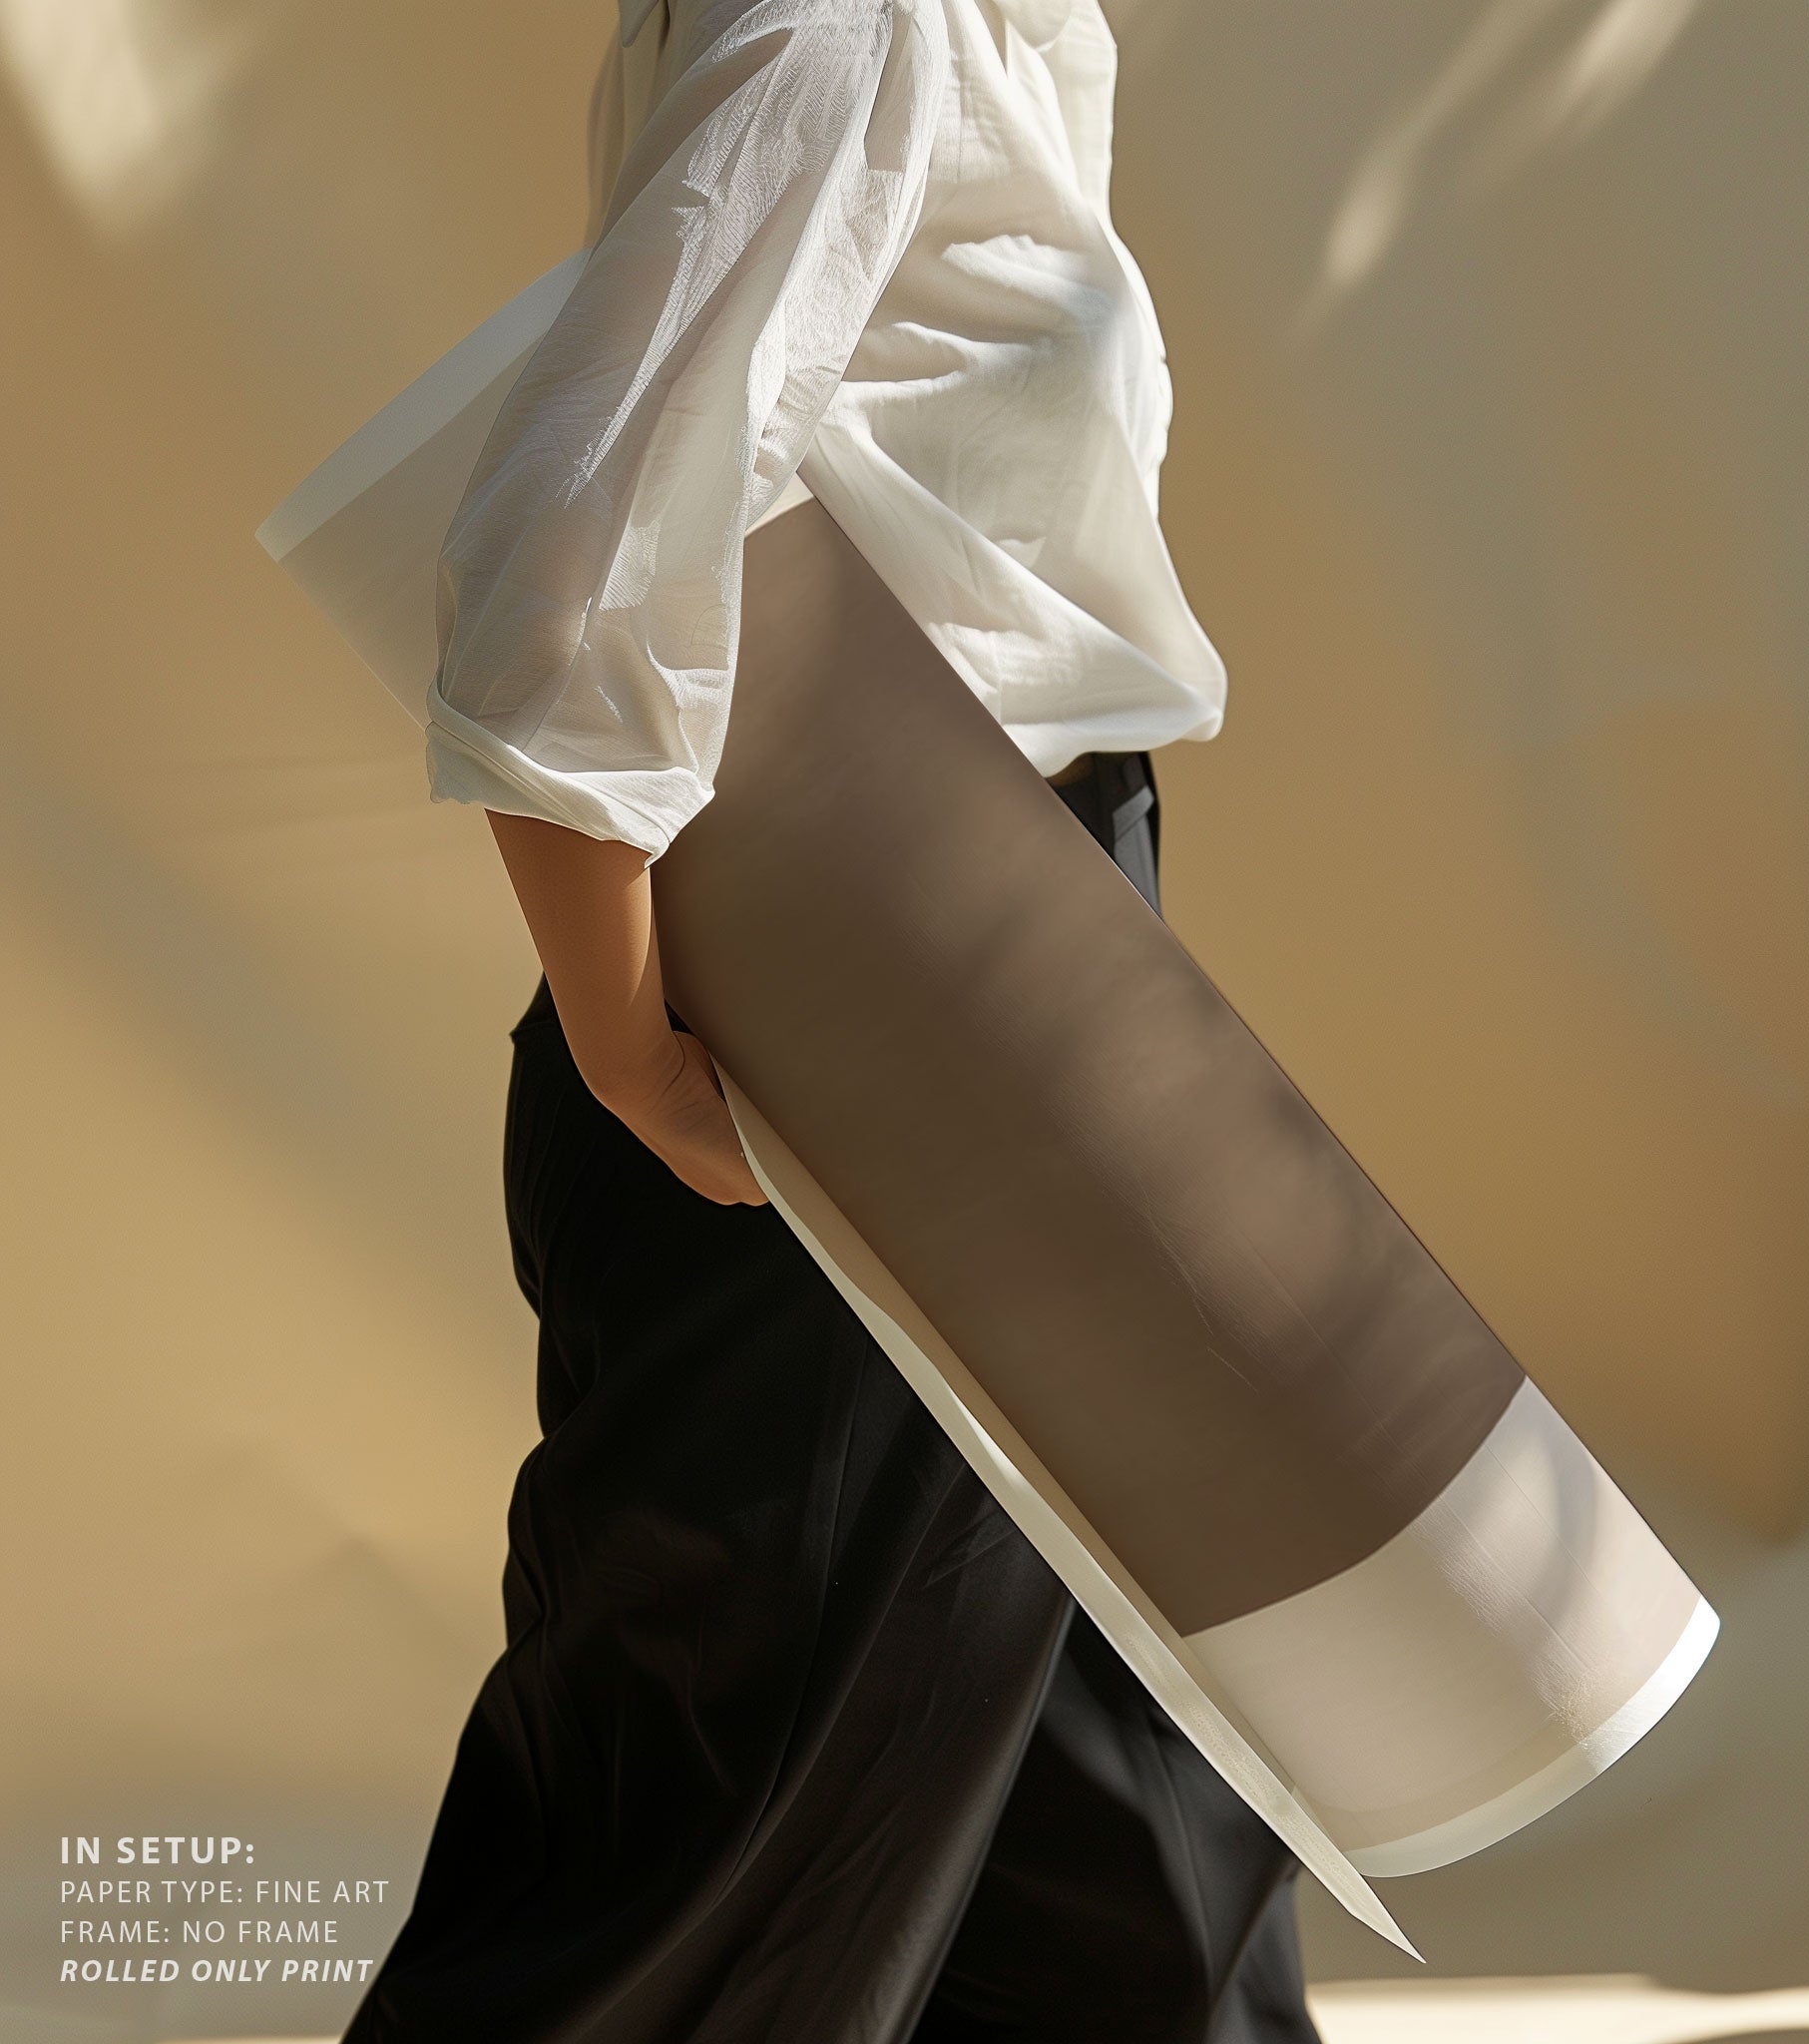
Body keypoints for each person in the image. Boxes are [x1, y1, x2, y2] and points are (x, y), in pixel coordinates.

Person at [339, 1, 1319, 2037]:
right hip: (863, 987)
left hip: (1022, 948)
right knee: (691, 1864)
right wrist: (631, 1047)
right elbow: (574, 539)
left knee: (1137, 1836)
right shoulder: (854, 16)